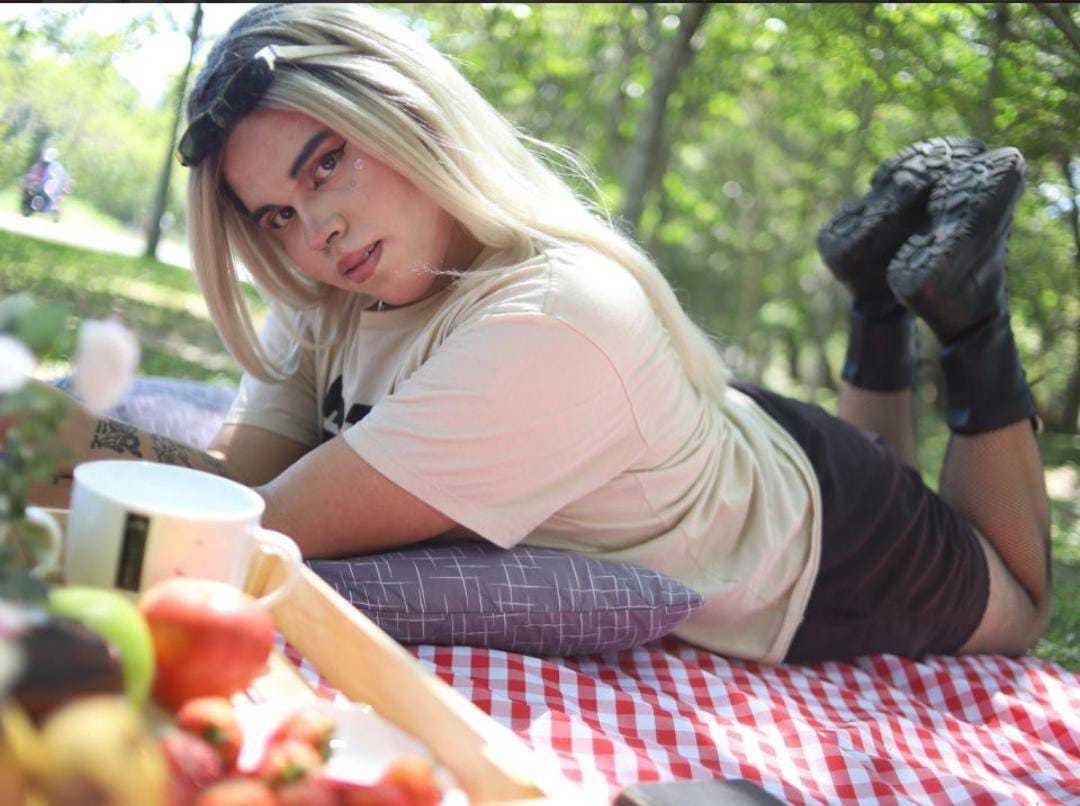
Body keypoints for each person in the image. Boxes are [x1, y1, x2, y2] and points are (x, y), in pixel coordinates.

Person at [22, 3, 1050, 665]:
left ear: (408, 110)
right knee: (886, 456)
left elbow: (250, 523)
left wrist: (54, 437)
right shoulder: (331, 289)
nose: (315, 230)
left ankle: (969, 316)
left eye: (327, 161)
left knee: (1021, 605)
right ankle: (875, 298)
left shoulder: (555, 322)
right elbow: (229, 478)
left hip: (826, 545)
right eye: (277, 214)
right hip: (720, 445)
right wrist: (71, 438)